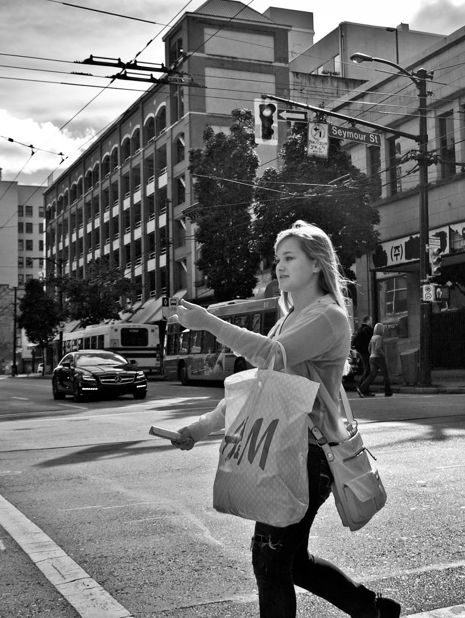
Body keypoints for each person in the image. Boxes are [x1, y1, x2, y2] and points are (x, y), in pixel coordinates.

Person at [166, 221, 400, 618]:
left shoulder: (329, 318)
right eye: (278, 259)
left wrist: (209, 322)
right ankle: (371, 610)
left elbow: (270, 356)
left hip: (309, 453)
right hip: (285, 450)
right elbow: (260, 388)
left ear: (315, 264)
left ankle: (371, 609)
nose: (280, 266)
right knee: (289, 561)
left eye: (289, 257)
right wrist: (201, 427)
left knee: (271, 561)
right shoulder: (288, 318)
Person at [358, 323, 391, 398]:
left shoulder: (373, 337)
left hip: (371, 357)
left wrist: (371, 354)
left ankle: (362, 388)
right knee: (385, 374)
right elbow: (378, 348)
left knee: (372, 375)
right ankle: (388, 391)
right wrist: (384, 355)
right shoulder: (379, 337)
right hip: (378, 357)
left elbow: (369, 348)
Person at [352, 316, 373, 383]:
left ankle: (363, 387)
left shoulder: (359, 329)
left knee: (367, 368)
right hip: (365, 352)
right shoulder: (368, 330)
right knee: (368, 369)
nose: (372, 322)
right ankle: (362, 386)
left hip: (361, 351)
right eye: (371, 320)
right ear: (368, 320)